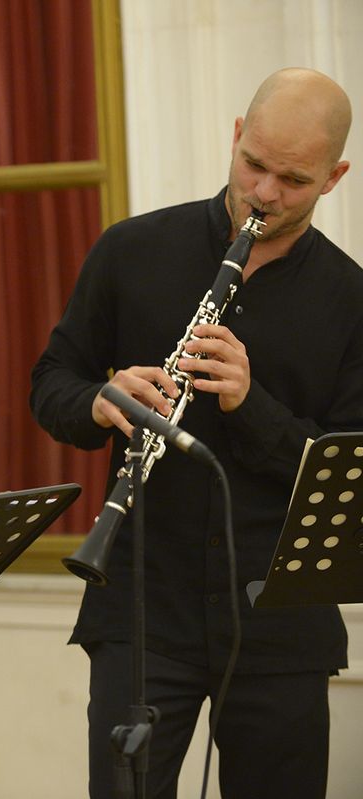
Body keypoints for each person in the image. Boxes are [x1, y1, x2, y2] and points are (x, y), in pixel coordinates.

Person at [30, 68, 362, 798]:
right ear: (236, 136)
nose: (264, 193)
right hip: (143, 609)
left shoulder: (350, 299)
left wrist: (252, 404)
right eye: (254, 164)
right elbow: (51, 382)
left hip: (279, 624)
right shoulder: (132, 250)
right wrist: (99, 401)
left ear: (334, 177)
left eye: (294, 180)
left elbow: (349, 471)